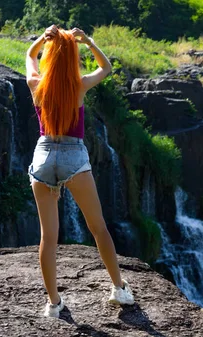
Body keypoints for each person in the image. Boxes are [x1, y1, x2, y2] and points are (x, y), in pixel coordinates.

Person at [25, 25, 134, 318]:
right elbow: (106, 67)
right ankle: (120, 291)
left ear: (50, 55)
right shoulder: (79, 84)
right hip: (74, 156)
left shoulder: (36, 83)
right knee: (98, 228)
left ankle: (53, 304)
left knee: (48, 237)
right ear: (72, 56)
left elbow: (29, 54)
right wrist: (87, 41)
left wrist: (43, 38)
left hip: (44, 155)